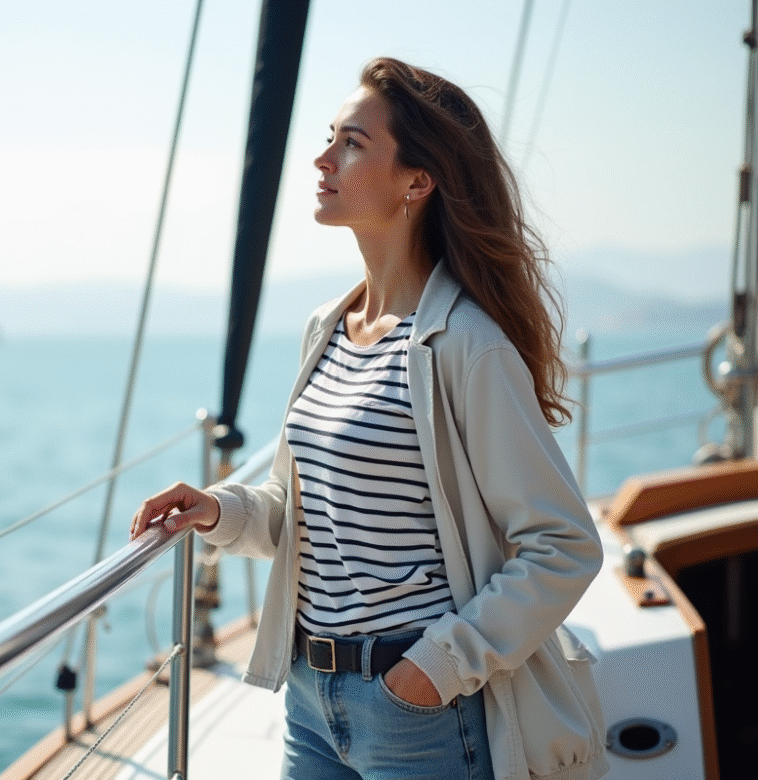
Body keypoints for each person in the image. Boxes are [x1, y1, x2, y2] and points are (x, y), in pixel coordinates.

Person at [130, 57, 608, 780]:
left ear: (417, 182)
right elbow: (303, 512)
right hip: (309, 699)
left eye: (351, 143)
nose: (323, 158)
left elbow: (563, 545)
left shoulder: (466, 347)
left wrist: (431, 671)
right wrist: (219, 510)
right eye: (329, 137)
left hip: (418, 712)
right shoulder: (327, 327)